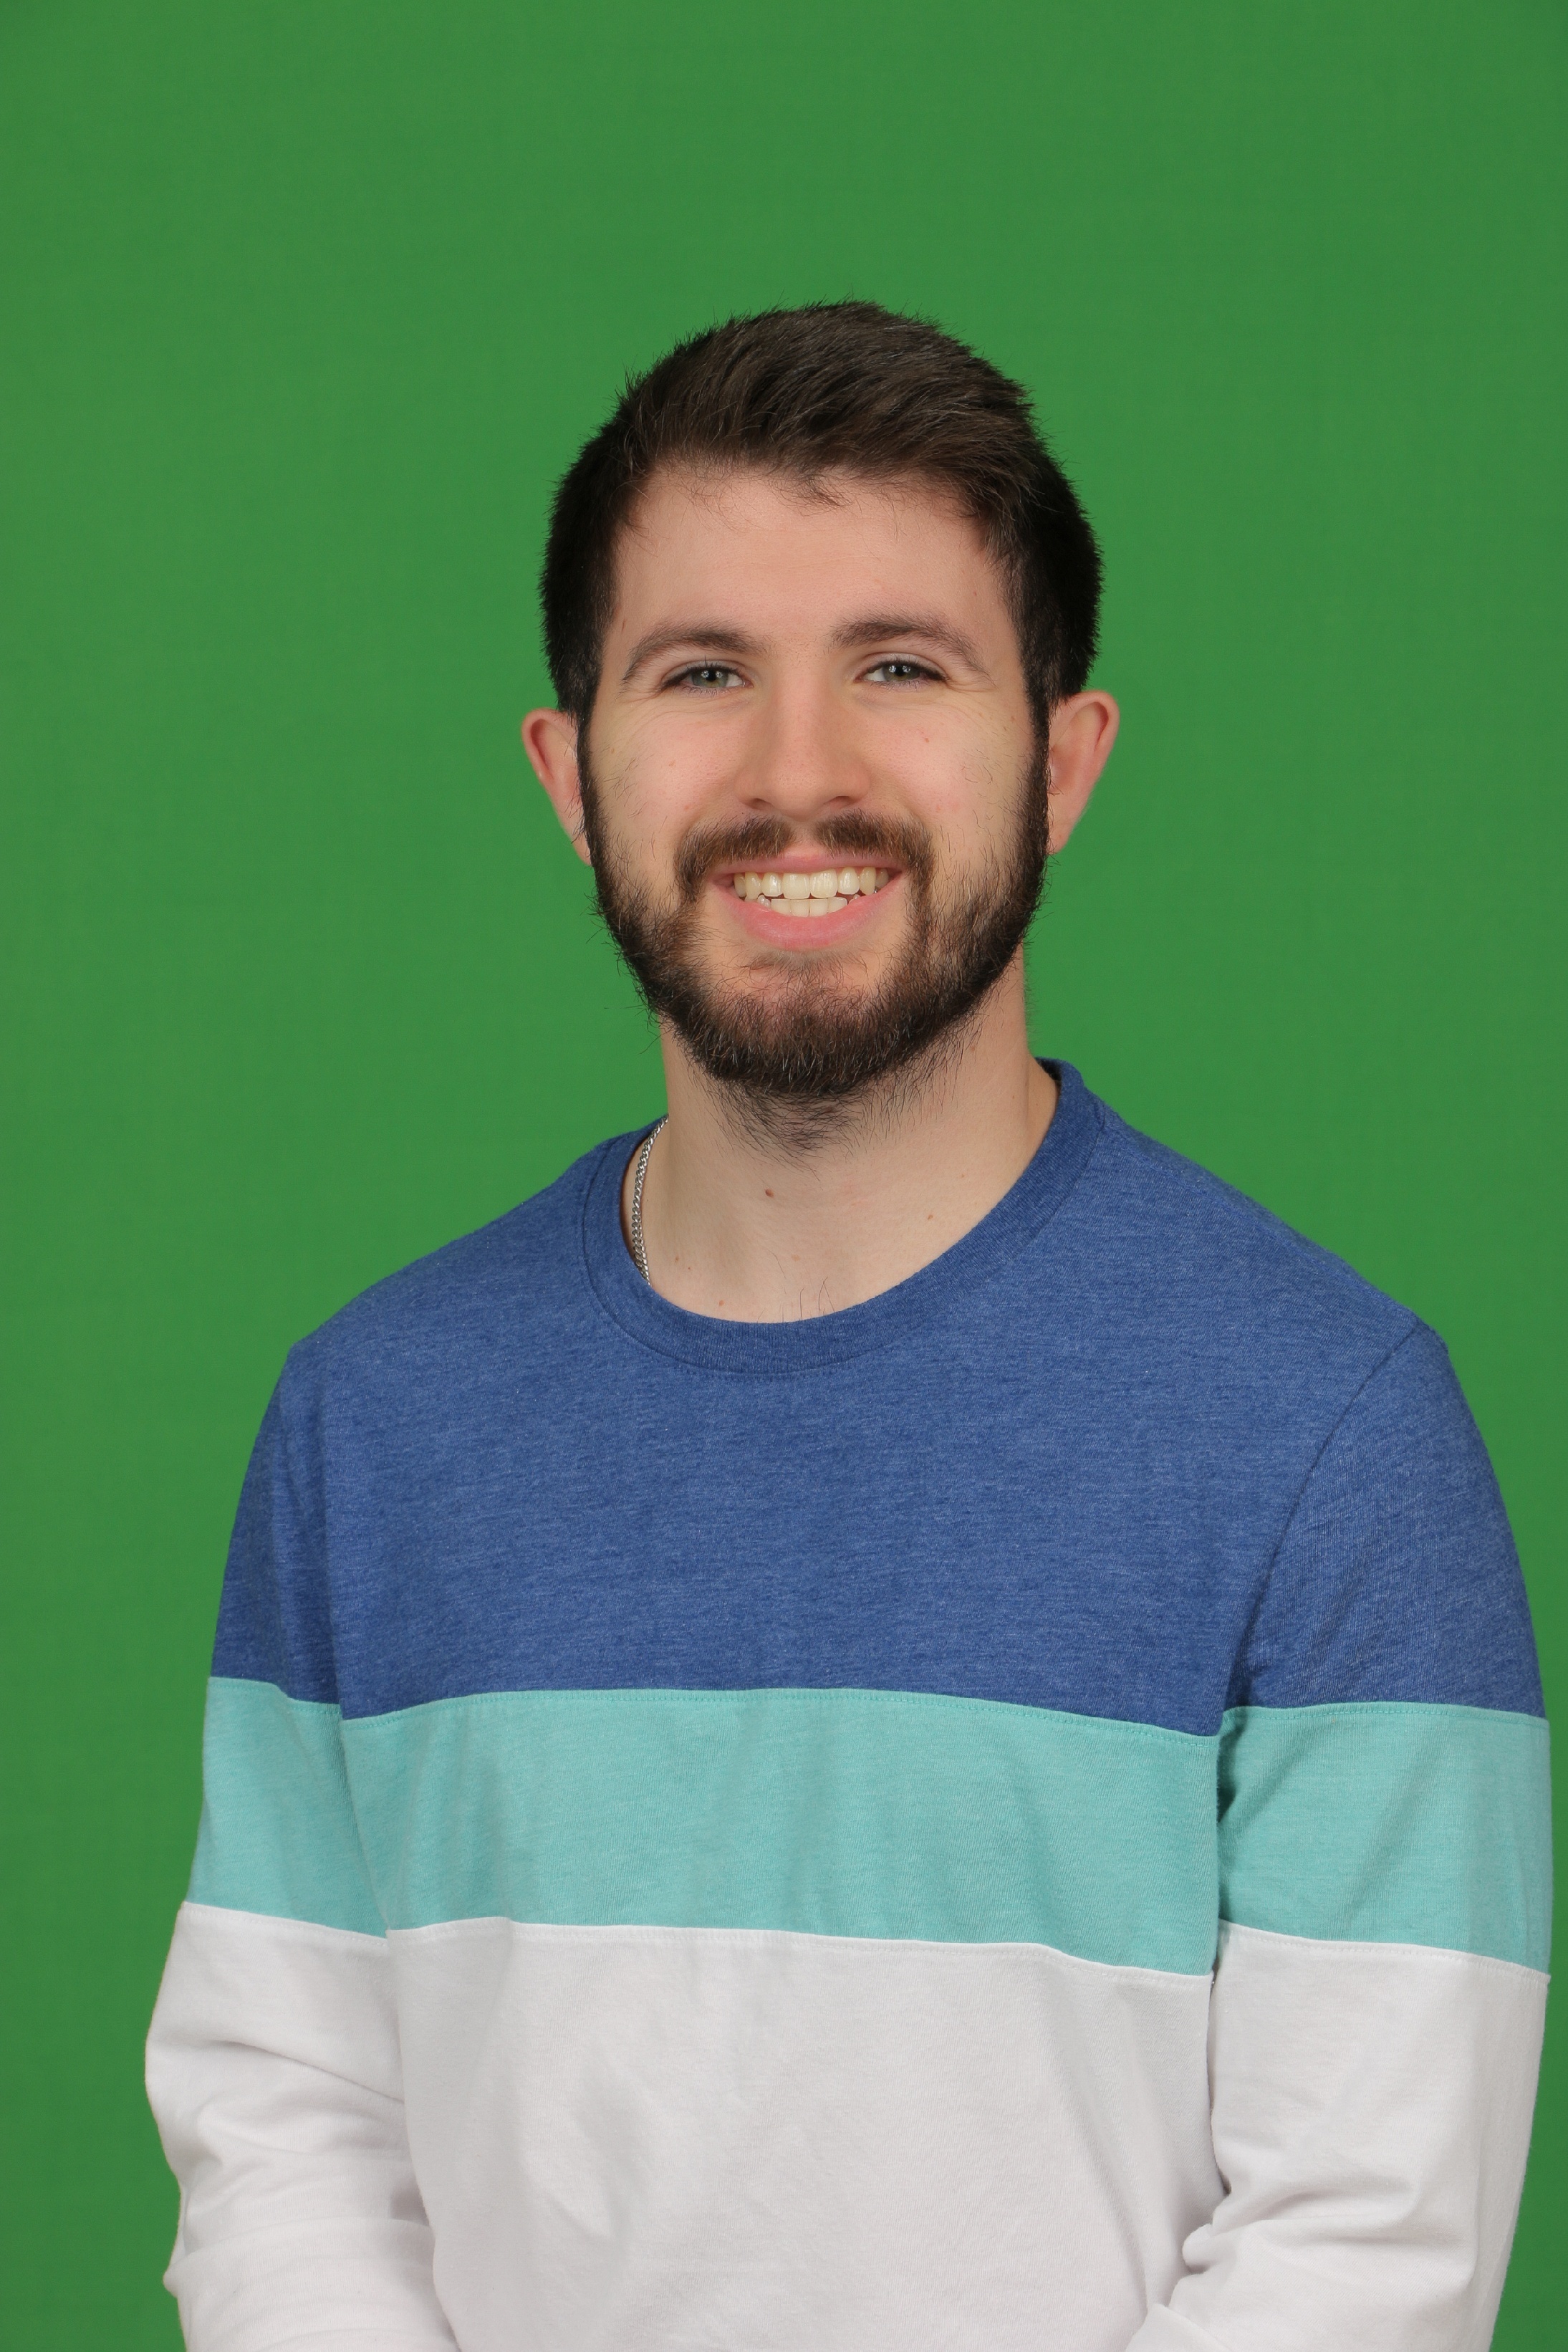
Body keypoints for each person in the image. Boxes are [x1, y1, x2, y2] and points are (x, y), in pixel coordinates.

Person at [147, 302, 1550, 2352]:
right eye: (702, 672)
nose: (798, 775)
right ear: (570, 775)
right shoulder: (372, 1423)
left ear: (1063, 763)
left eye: (901, 666)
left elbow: (1366, 2251)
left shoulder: (1334, 1432)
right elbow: (286, 2133)